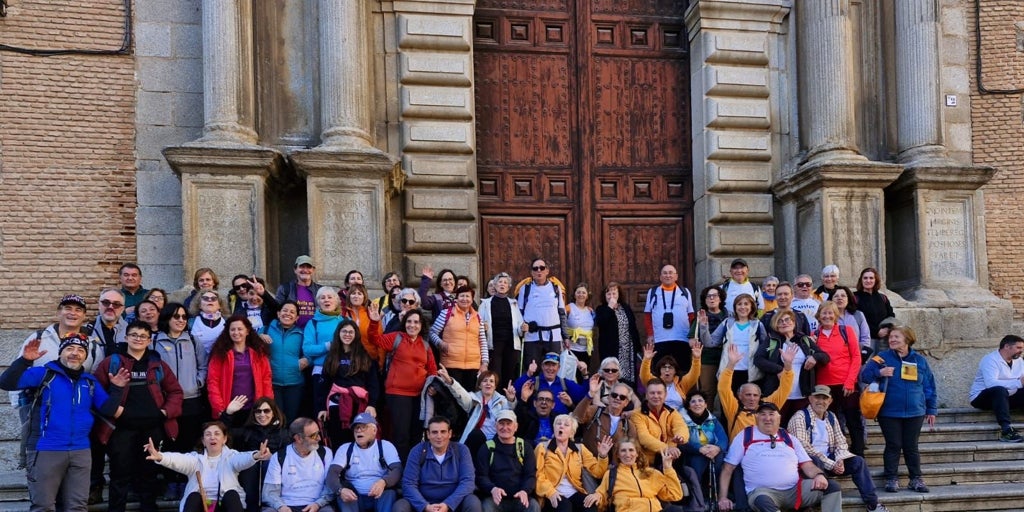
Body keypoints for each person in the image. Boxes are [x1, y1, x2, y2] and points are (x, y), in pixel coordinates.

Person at [0, 333, 129, 512]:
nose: (75, 353)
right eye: (69, 348)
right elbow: (6, 383)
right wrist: (24, 361)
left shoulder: (89, 382)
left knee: (77, 507)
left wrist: (117, 389)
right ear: (60, 352)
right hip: (46, 449)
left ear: (85, 356)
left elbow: (107, 409)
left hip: (81, 451)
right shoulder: (45, 374)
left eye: (80, 350)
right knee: (43, 506)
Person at [93, 320, 185, 512]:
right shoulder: (112, 362)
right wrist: (114, 411)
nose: (138, 339)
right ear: (126, 337)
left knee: (149, 474)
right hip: (120, 430)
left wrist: (164, 412)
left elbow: (176, 392)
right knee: (119, 475)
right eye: (134, 335)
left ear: (149, 340)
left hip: (152, 429)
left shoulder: (158, 365)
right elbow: (95, 391)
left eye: (143, 336)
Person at [717, 402, 842, 512]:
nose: (767, 418)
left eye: (771, 414)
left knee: (832, 487)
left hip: (794, 491)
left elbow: (807, 465)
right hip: (763, 492)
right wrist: (723, 497)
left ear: (779, 418)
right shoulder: (745, 436)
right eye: (762, 414)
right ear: (756, 417)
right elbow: (727, 469)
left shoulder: (789, 438)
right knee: (762, 501)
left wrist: (819, 475)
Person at [860, 325, 938, 493]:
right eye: (891, 337)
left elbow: (929, 385)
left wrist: (931, 409)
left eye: (896, 337)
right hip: (889, 412)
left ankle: (915, 479)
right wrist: (880, 373)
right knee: (893, 445)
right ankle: (891, 478)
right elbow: (864, 375)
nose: (892, 340)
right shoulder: (882, 357)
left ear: (907, 339)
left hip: (915, 411)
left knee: (911, 446)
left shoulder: (919, 360)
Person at [787, 386, 890, 512]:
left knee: (858, 461)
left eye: (825, 398)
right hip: (810, 464)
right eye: (817, 397)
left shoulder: (831, 416)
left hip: (830, 460)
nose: (821, 401)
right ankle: (810, 504)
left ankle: (872, 504)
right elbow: (804, 448)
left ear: (830, 401)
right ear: (810, 399)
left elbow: (841, 442)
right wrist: (831, 464)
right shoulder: (800, 417)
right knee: (815, 461)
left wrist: (841, 458)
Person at [145, 421, 273, 512]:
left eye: (217, 434)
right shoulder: (195, 459)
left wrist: (256, 455)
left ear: (224, 439)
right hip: (201, 505)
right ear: (203, 441)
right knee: (193, 496)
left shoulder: (231, 457)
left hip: (224, 505)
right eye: (208, 434)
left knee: (232, 494)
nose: (212, 437)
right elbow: (178, 459)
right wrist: (160, 456)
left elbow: (243, 459)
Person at [154, 302, 210, 500]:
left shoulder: (193, 341)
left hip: (191, 399)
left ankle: (186, 483)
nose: (180, 320)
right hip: (166, 400)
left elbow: (204, 366)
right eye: (176, 316)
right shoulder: (155, 342)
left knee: (188, 442)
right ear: (167, 318)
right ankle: (170, 482)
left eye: (184, 317)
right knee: (169, 442)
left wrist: (198, 382)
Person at [367, 305, 438, 460]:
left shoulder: (425, 345)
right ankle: (399, 470)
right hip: (397, 394)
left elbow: (432, 370)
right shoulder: (396, 337)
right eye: (409, 321)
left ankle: (412, 468)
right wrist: (374, 323)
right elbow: (374, 339)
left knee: (416, 433)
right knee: (401, 435)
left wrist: (433, 386)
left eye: (416, 322)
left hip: (419, 396)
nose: (412, 325)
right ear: (404, 323)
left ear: (421, 325)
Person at [752, 309, 828, 423]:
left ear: (794, 322)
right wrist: (778, 370)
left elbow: (825, 357)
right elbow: (758, 359)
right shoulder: (772, 340)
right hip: (778, 394)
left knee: (799, 426)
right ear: (775, 325)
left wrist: (815, 357)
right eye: (780, 321)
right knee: (778, 426)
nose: (784, 323)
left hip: (801, 394)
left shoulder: (804, 339)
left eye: (787, 319)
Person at [394, 416, 481, 512]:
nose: (439, 436)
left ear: (450, 433)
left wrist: (448, 504)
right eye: (434, 432)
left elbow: (468, 482)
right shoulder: (417, 451)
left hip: (454, 504)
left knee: (472, 502)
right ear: (428, 434)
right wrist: (425, 506)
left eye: (443, 432)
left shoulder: (461, 450)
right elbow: (409, 484)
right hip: (424, 503)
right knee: (400, 506)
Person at [317, 320, 381, 447]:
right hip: (336, 403)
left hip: (359, 404)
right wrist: (322, 408)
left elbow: (373, 383)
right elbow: (324, 384)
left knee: (358, 439)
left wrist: (372, 404)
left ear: (356, 335)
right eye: (344, 331)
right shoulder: (331, 356)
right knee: (337, 439)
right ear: (338, 334)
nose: (347, 334)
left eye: (351, 332)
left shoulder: (364, 356)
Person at [222, 397, 292, 512]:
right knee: (251, 464)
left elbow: (290, 456)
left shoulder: (284, 433)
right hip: (249, 478)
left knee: (269, 463)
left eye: (266, 411)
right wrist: (228, 413)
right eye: (258, 411)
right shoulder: (247, 431)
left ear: (274, 412)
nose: (262, 414)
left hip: (275, 483)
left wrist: (273, 457)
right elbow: (222, 433)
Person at [813, 301, 864, 456]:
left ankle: (858, 452)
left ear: (835, 316)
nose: (827, 316)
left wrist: (850, 382)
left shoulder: (846, 331)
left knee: (852, 419)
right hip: (824, 386)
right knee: (830, 421)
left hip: (845, 383)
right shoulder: (814, 335)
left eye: (830, 313)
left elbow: (856, 357)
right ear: (819, 316)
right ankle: (837, 451)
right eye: (824, 313)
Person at [534, 414, 611, 512]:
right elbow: (538, 475)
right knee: (564, 507)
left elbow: (598, 472)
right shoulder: (542, 448)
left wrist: (602, 456)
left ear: (572, 432)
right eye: (558, 424)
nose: (561, 426)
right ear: (554, 428)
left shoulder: (580, 449)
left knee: (590, 506)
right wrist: (550, 492)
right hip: (551, 493)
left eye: (566, 425)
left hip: (575, 492)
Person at [326, 412, 401, 512]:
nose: (358, 430)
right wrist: (340, 490)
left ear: (374, 430)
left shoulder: (385, 446)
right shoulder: (345, 448)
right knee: (344, 494)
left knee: (389, 494)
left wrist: (384, 482)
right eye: (356, 427)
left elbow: (398, 469)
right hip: (354, 495)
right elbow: (332, 473)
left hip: (380, 494)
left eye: (363, 427)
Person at [583, 439, 685, 512]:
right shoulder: (612, 474)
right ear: (618, 455)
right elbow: (602, 494)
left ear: (637, 453)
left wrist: (668, 468)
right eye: (623, 451)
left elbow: (675, 495)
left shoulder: (651, 473)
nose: (628, 454)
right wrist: (597, 495)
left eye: (631, 450)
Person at [718, 344, 796, 440]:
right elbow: (723, 388)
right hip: (742, 452)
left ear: (760, 396)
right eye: (748, 395)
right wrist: (731, 364)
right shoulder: (733, 408)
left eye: (755, 395)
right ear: (740, 396)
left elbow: (785, 389)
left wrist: (788, 365)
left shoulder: (768, 405)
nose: (752, 398)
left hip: (765, 451)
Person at [262, 417, 337, 512]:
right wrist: (281, 507)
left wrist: (318, 504)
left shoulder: (325, 453)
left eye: (319, 433)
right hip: (287, 505)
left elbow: (330, 485)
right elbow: (269, 492)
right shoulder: (279, 457)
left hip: (317, 504)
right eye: (314, 435)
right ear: (298, 438)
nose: (319, 438)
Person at [207, 315, 274, 419]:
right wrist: (220, 408)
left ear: (247, 331)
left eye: (240, 329)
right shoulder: (220, 354)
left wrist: (267, 405)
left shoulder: (258, 353)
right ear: (228, 332)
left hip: (254, 409)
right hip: (228, 409)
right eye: (232, 329)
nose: (236, 332)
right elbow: (213, 382)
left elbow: (266, 379)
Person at [700, 293, 768, 395]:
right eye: (739, 304)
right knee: (728, 405)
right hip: (729, 371)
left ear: (751, 307)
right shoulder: (727, 323)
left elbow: (765, 347)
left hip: (751, 373)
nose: (743, 307)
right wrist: (703, 327)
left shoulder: (758, 325)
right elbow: (710, 343)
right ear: (735, 307)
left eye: (746, 304)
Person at [474, 409, 539, 512]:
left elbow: (530, 475)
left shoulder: (524, 447)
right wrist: (492, 489)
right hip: (495, 499)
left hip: (519, 498)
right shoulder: (487, 447)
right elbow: (481, 476)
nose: (505, 428)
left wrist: (525, 491)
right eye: (501, 424)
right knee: (487, 507)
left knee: (533, 506)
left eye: (509, 424)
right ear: (496, 426)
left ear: (516, 427)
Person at [436, 368, 512, 453]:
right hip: (476, 441)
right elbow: (461, 394)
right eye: (485, 381)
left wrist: (511, 400)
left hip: (496, 439)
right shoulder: (473, 399)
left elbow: (511, 415)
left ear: (495, 386)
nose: (488, 383)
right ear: (479, 385)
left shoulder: (502, 401)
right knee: (476, 434)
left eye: (491, 381)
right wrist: (450, 381)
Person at [430, 285, 488, 391]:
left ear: (472, 299)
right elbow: (432, 332)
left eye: (467, 296)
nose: (464, 299)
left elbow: (483, 341)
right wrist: (440, 343)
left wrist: (484, 363)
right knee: (452, 398)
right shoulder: (446, 313)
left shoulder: (478, 317)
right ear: (456, 298)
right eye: (462, 296)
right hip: (451, 364)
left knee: (469, 398)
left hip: (473, 365)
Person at [970, 334, 1024, 442]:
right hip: (982, 398)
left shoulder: (1019, 361)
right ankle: (1006, 431)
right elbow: (991, 383)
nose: (1021, 351)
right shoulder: (990, 360)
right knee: (999, 390)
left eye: (1022, 348)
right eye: (1018, 348)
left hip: (1007, 397)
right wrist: (1019, 383)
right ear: (1007, 346)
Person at [516, 258, 569, 366]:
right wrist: (522, 328)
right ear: (532, 272)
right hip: (532, 337)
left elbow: (562, 313)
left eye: (542, 268)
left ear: (547, 271)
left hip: (553, 336)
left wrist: (565, 337)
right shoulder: (525, 289)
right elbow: (519, 314)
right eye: (535, 268)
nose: (539, 271)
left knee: (553, 369)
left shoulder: (556, 288)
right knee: (532, 370)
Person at [644, 265, 696, 372]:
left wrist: (693, 335)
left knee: (682, 371)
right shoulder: (653, 292)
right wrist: (650, 334)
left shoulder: (685, 292)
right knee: (660, 371)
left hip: (682, 339)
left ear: (676, 276)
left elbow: (691, 316)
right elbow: (648, 315)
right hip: (659, 339)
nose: (668, 275)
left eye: (671, 273)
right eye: (665, 273)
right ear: (660, 277)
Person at [262, 301, 307, 424]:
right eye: (285, 310)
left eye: (292, 312)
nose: (288, 314)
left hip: (295, 384)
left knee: (292, 419)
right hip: (272, 383)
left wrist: (307, 360)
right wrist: (259, 338)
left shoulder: (302, 334)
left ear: (297, 317)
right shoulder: (265, 330)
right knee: (276, 419)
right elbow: (250, 345)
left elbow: (310, 351)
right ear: (278, 313)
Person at [479, 272, 524, 388]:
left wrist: (522, 328)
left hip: (511, 344)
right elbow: (478, 323)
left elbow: (519, 325)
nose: (502, 284)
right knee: (495, 374)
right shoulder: (485, 304)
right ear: (494, 285)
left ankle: (508, 401)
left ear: (509, 286)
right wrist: (482, 326)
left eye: (505, 282)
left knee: (510, 374)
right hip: (494, 344)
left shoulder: (513, 303)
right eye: (500, 282)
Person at [572, 377, 635, 459]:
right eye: (614, 395)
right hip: (588, 464)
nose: (617, 398)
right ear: (608, 398)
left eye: (622, 397)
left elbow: (633, 449)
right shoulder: (595, 411)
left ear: (626, 403)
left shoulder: (628, 425)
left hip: (613, 469)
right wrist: (590, 395)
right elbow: (577, 417)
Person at [630, 379, 688, 466]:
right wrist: (667, 448)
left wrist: (680, 437)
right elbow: (644, 438)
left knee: (690, 474)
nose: (656, 396)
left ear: (665, 395)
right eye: (652, 393)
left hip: (670, 459)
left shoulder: (672, 412)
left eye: (659, 393)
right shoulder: (637, 414)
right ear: (646, 395)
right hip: (647, 462)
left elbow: (681, 427)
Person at [593, 281, 640, 384]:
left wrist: (638, 348)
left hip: (627, 350)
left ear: (619, 295)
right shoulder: (602, 309)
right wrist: (610, 307)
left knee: (628, 377)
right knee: (611, 374)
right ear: (604, 295)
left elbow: (633, 327)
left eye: (614, 293)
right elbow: (601, 322)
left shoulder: (626, 308)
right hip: (611, 349)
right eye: (608, 294)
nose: (611, 296)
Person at [512, 352, 587, 416]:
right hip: (535, 425)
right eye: (547, 364)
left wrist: (585, 374)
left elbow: (584, 397)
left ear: (559, 367)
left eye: (553, 365)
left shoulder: (565, 383)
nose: (550, 368)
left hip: (559, 425)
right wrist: (528, 374)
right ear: (542, 366)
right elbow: (515, 391)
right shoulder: (534, 382)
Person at [680, 391, 727, 490]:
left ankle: (719, 492)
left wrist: (717, 448)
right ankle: (697, 495)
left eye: (700, 401)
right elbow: (682, 441)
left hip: (713, 450)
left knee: (720, 458)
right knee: (697, 462)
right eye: (693, 402)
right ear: (689, 406)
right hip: (694, 452)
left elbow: (723, 438)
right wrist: (699, 449)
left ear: (705, 404)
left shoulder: (713, 420)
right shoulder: (682, 420)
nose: (697, 404)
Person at [639, 341, 701, 411]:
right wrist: (646, 360)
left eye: (670, 367)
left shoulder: (681, 383)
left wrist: (696, 359)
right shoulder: (653, 382)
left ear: (675, 371)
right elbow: (643, 375)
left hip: (678, 417)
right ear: (660, 370)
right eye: (664, 367)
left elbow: (694, 375)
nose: (667, 370)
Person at [691, 285, 727, 405]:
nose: (712, 299)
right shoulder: (700, 316)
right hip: (707, 359)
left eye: (715, 296)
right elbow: (691, 338)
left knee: (726, 392)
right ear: (705, 300)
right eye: (708, 296)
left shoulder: (728, 316)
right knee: (707, 392)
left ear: (720, 298)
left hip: (726, 358)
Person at [303, 287, 347, 377]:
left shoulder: (346, 321)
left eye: (330, 297)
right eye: (322, 298)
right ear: (318, 302)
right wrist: (327, 346)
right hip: (321, 371)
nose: (326, 300)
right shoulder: (313, 323)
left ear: (336, 301)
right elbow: (307, 349)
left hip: (344, 370)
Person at [853, 267, 896, 351]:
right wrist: (876, 332)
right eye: (865, 278)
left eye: (871, 278)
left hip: (883, 340)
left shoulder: (882, 298)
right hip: (865, 340)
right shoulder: (854, 298)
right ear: (861, 280)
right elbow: (855, 319)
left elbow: (891, 315)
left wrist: (887, 329)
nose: (868, 281)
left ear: (876, 280)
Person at [275, 255, 323, 328]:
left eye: (308, 267)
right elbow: (275, 310)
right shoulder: (285, 289)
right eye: (302, 267)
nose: (305, 270)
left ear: (313, 270)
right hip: (292, 333)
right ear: (295, 269)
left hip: (314, 334)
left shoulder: (321, 290)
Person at [565, 283, 595, 376]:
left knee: (584, 373)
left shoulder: (590, 311)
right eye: (578, 292)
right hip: (572, 348)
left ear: (587, 296)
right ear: (574, 295)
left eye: (583, 293)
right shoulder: (569, 308)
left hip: (587, 349)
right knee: (572, 375)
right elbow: (561, 324)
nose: (581, 295)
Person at [832, 286, 871, 355]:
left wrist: (862, 354)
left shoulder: (858, 315)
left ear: (848, 299)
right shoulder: (828, 317)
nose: (840, 298)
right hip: (836, 357)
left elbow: (865, 338)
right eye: (836, 296)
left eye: (843, 296)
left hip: (857, 355)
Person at [93, 288, 128, 355]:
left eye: (116, 304)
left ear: (123, 309)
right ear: (99, 305)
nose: (110, 307)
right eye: (106, 303)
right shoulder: (86, 331)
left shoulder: (130, 332)